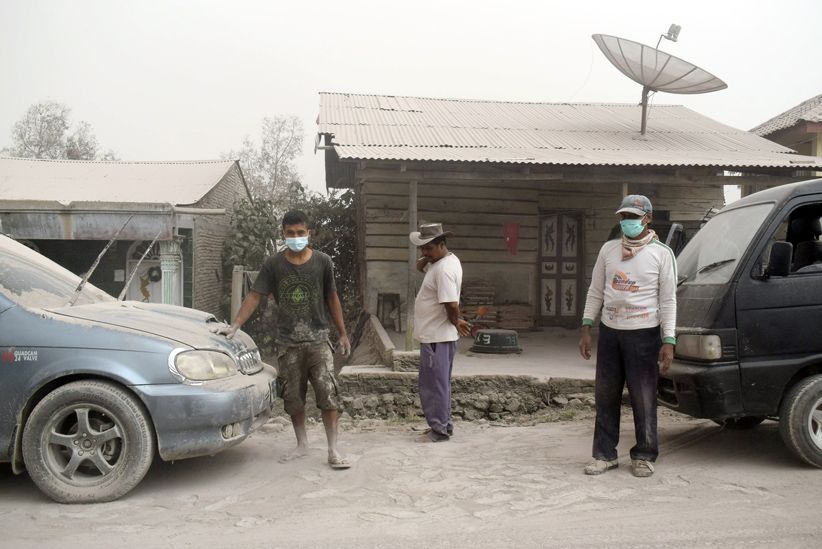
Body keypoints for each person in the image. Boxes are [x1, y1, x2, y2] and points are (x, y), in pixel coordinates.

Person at [215, 209, 352, 469]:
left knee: (328, 393)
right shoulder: (273, 264)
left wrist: (343, 333)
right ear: (283, 234)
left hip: (319, 341)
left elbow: (332, 297)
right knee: (293, 398)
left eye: (300, 233)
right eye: (290, 233)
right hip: (288, 343)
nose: (296, 237)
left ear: (309, 233)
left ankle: (333, 449)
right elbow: (255, 295)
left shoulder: (323, 262)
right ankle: (302, 445)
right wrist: (235, 325)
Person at [578, 195, 676, 478]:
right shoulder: (608, 251)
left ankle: (644, 454)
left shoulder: (662, 254)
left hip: (644, 335)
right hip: (610, 332)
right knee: (605, 395)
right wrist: (586, 326)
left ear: (647, 219)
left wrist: (668, 341)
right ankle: (604, 454)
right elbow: (596, 290)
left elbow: (668, 301)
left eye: (633, 217)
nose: (627, 222)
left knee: (643, 397)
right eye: (623, 217)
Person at [409, 223, 471, 442]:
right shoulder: (443, 260)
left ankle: (439, 430)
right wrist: (428, 254)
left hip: (437, 336)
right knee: (439, 383)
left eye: (428, 248)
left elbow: (451, 304)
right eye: (422, 248)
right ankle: (444, 424)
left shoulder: (444, 269)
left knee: (433, 385)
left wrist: (456, 321)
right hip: (436, 336)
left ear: (442, 245)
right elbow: (419, 266)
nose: (423, 253)